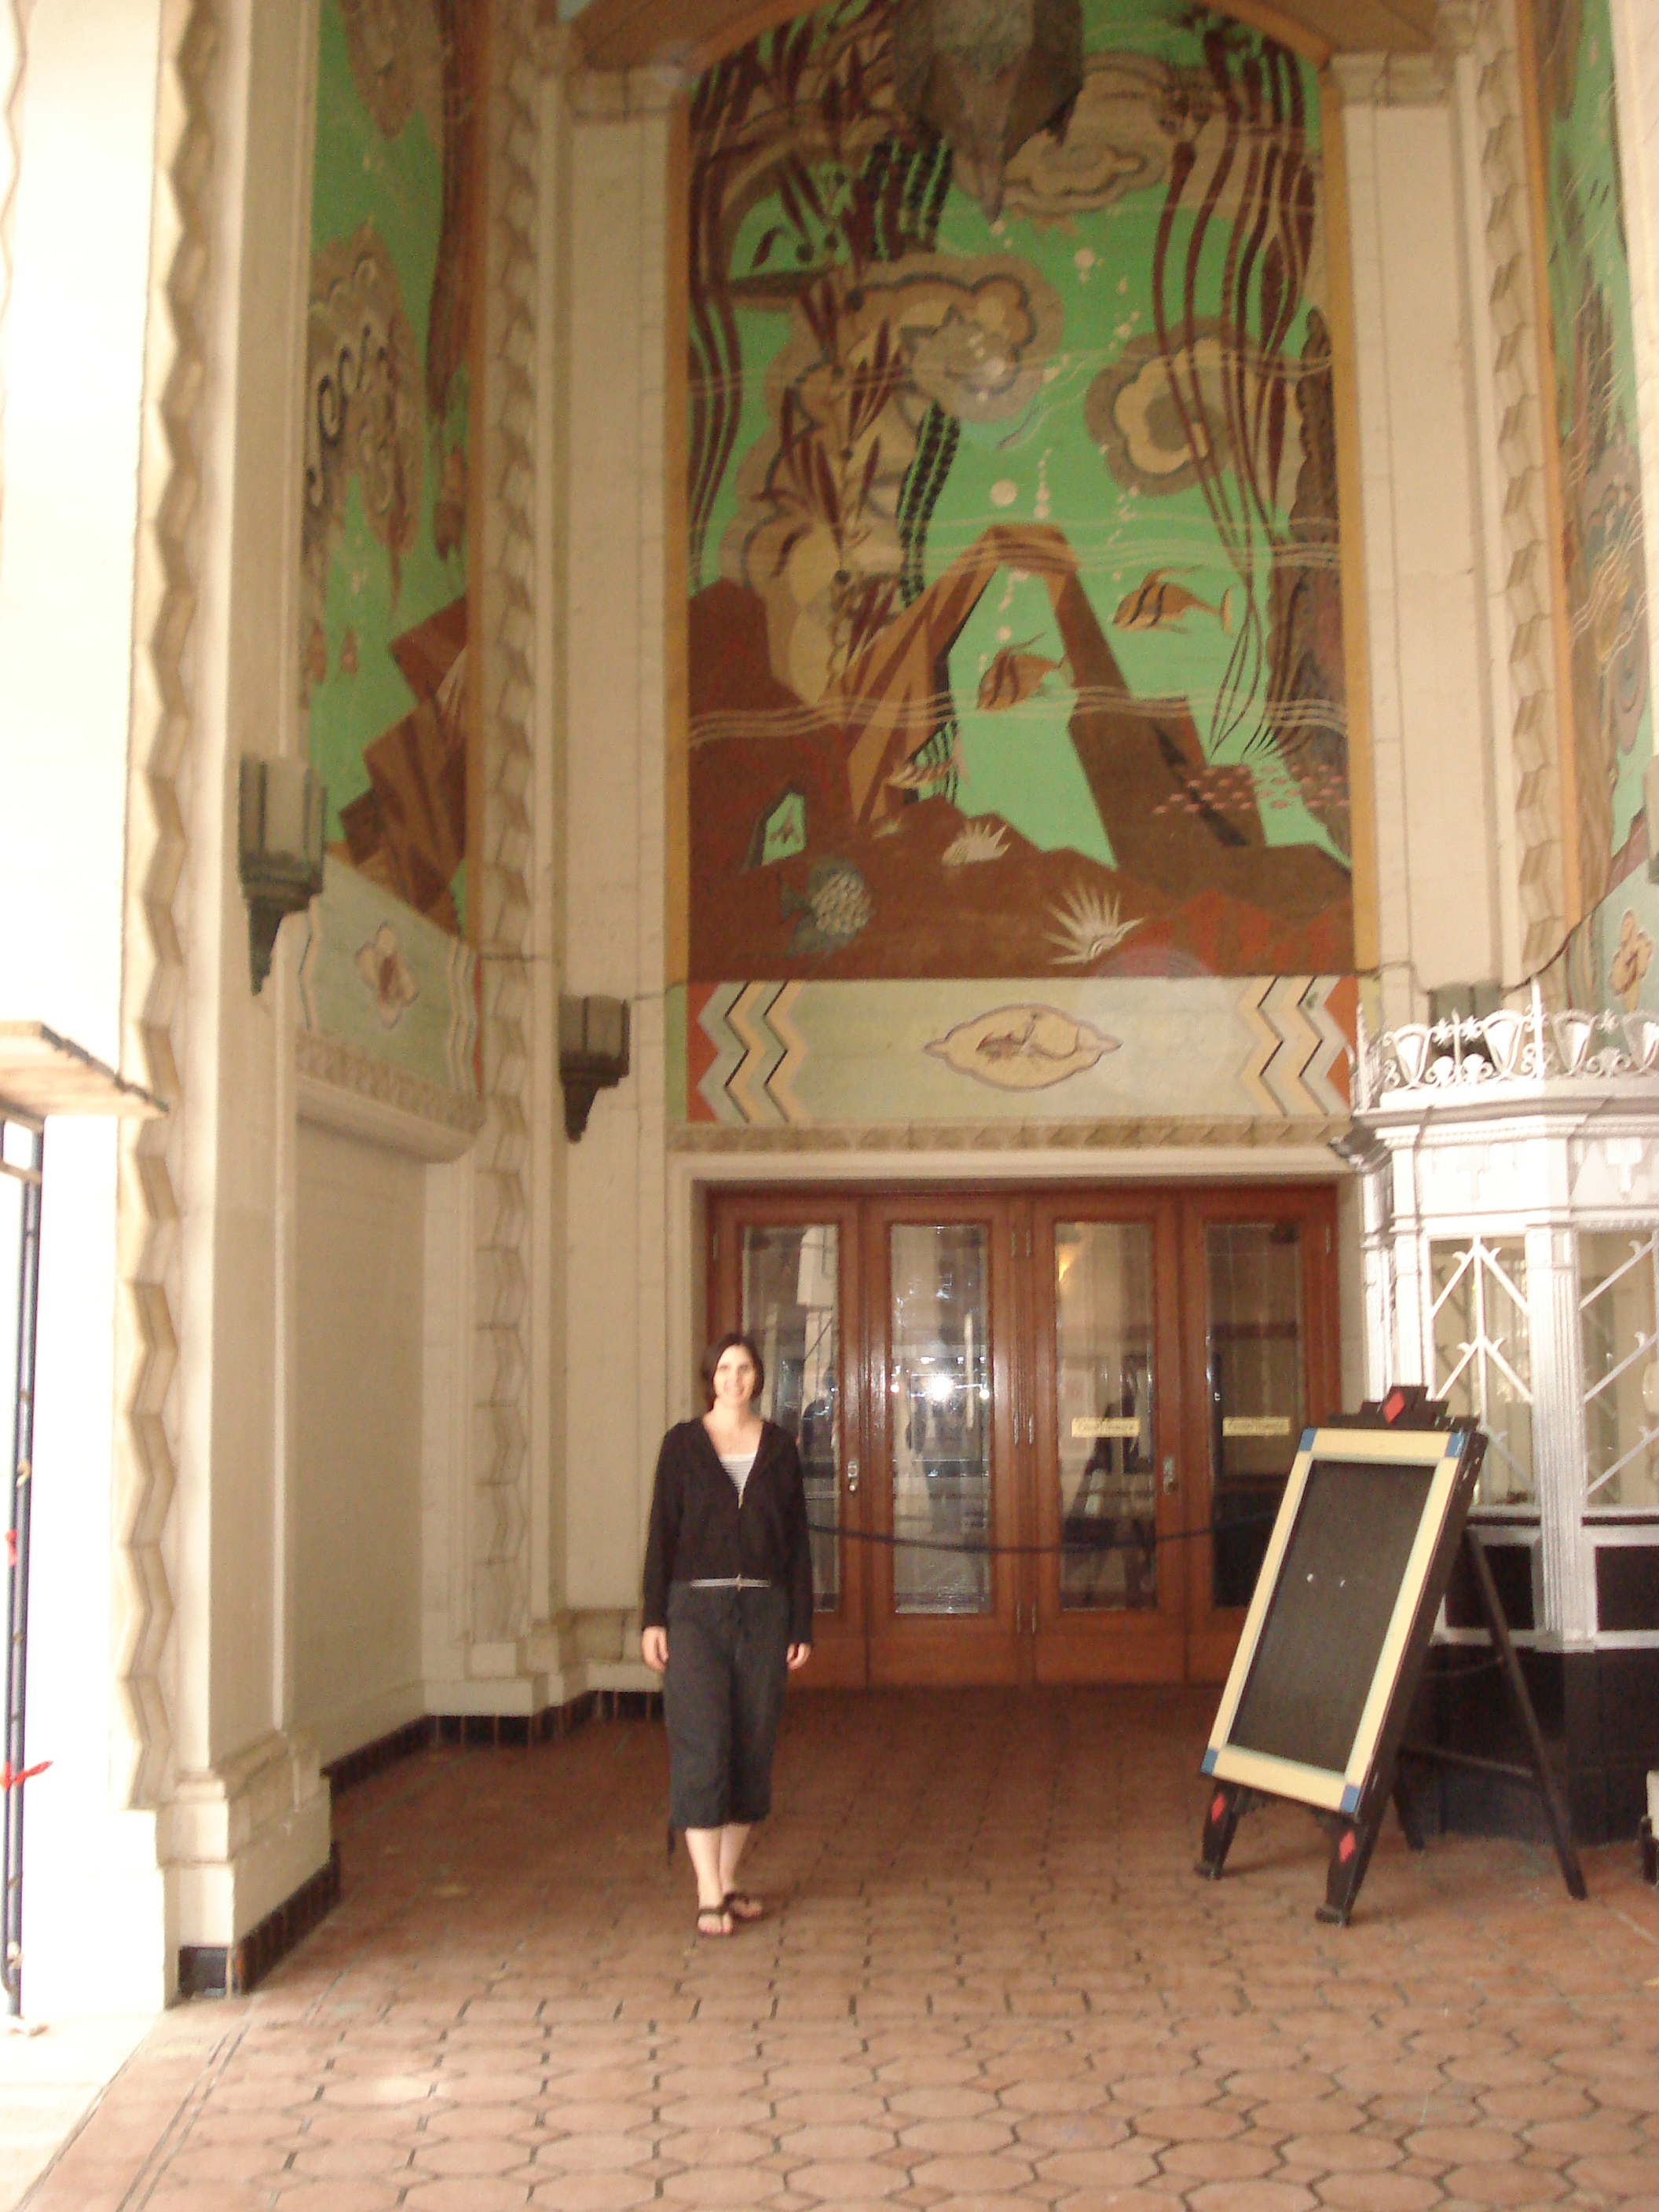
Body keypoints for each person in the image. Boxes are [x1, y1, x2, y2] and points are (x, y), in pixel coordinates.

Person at [641, 1332, 813, 1938]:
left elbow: (797, 1544)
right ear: (709, 1377)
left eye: (743, 1368)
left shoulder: (780, 1448)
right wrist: (653, 1618)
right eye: (723, 1368)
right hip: (695, 1611)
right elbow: (661, 1535)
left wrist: (801, 1622)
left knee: (752, 1745)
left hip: (763, 1613)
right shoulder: (682, 1445)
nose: (733, 1378)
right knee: (702, 1742)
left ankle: (728, 1877)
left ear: (757, 1377)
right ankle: (707, 1889)